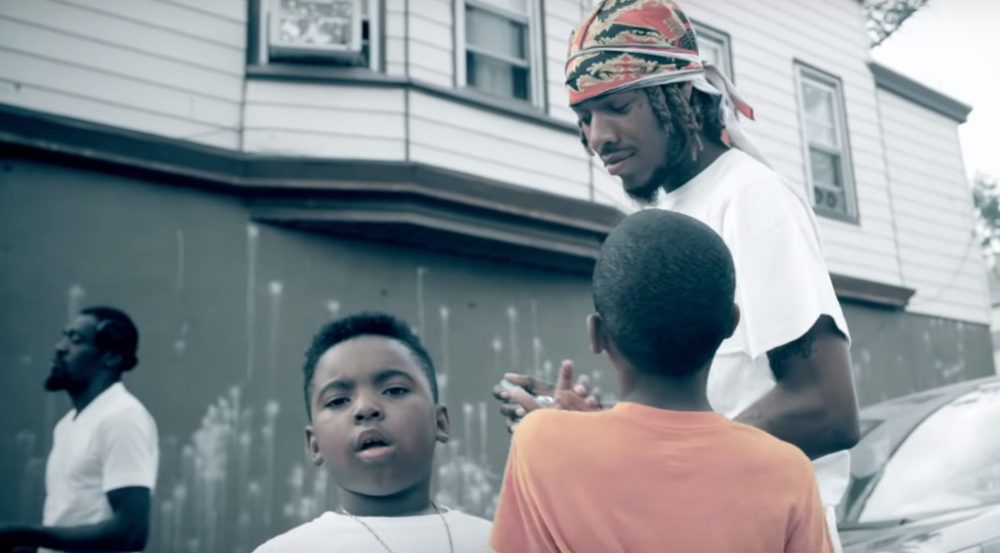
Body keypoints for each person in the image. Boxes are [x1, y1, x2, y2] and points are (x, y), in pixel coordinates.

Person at [494, 0, 861, 549]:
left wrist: (629, 453)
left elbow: (826, 408)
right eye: (585, 118)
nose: (598, 136)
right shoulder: (668, 213)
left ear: (681, 95)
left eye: (617, 106)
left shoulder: (750, 197)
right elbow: (693, 424)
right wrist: (602, 429)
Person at [491, 209, 833, 552]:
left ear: (596, 334)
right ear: (731, 325)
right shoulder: (788, 472)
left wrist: (575, 430)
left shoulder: (540, 440)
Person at [252, 312, 492, 553]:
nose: (366, 408)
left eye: (394, 390)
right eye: (338, 401)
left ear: (439, 422)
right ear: (314, 445)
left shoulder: (500, 543)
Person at [0, 307, 158, 553]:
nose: (60, 347)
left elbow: (131, 533)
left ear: (111, 356)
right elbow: (72, 523)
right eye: (64, 336)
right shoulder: (67, 425)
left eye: (76, 339)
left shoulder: (122, 418)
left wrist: (22, 533)